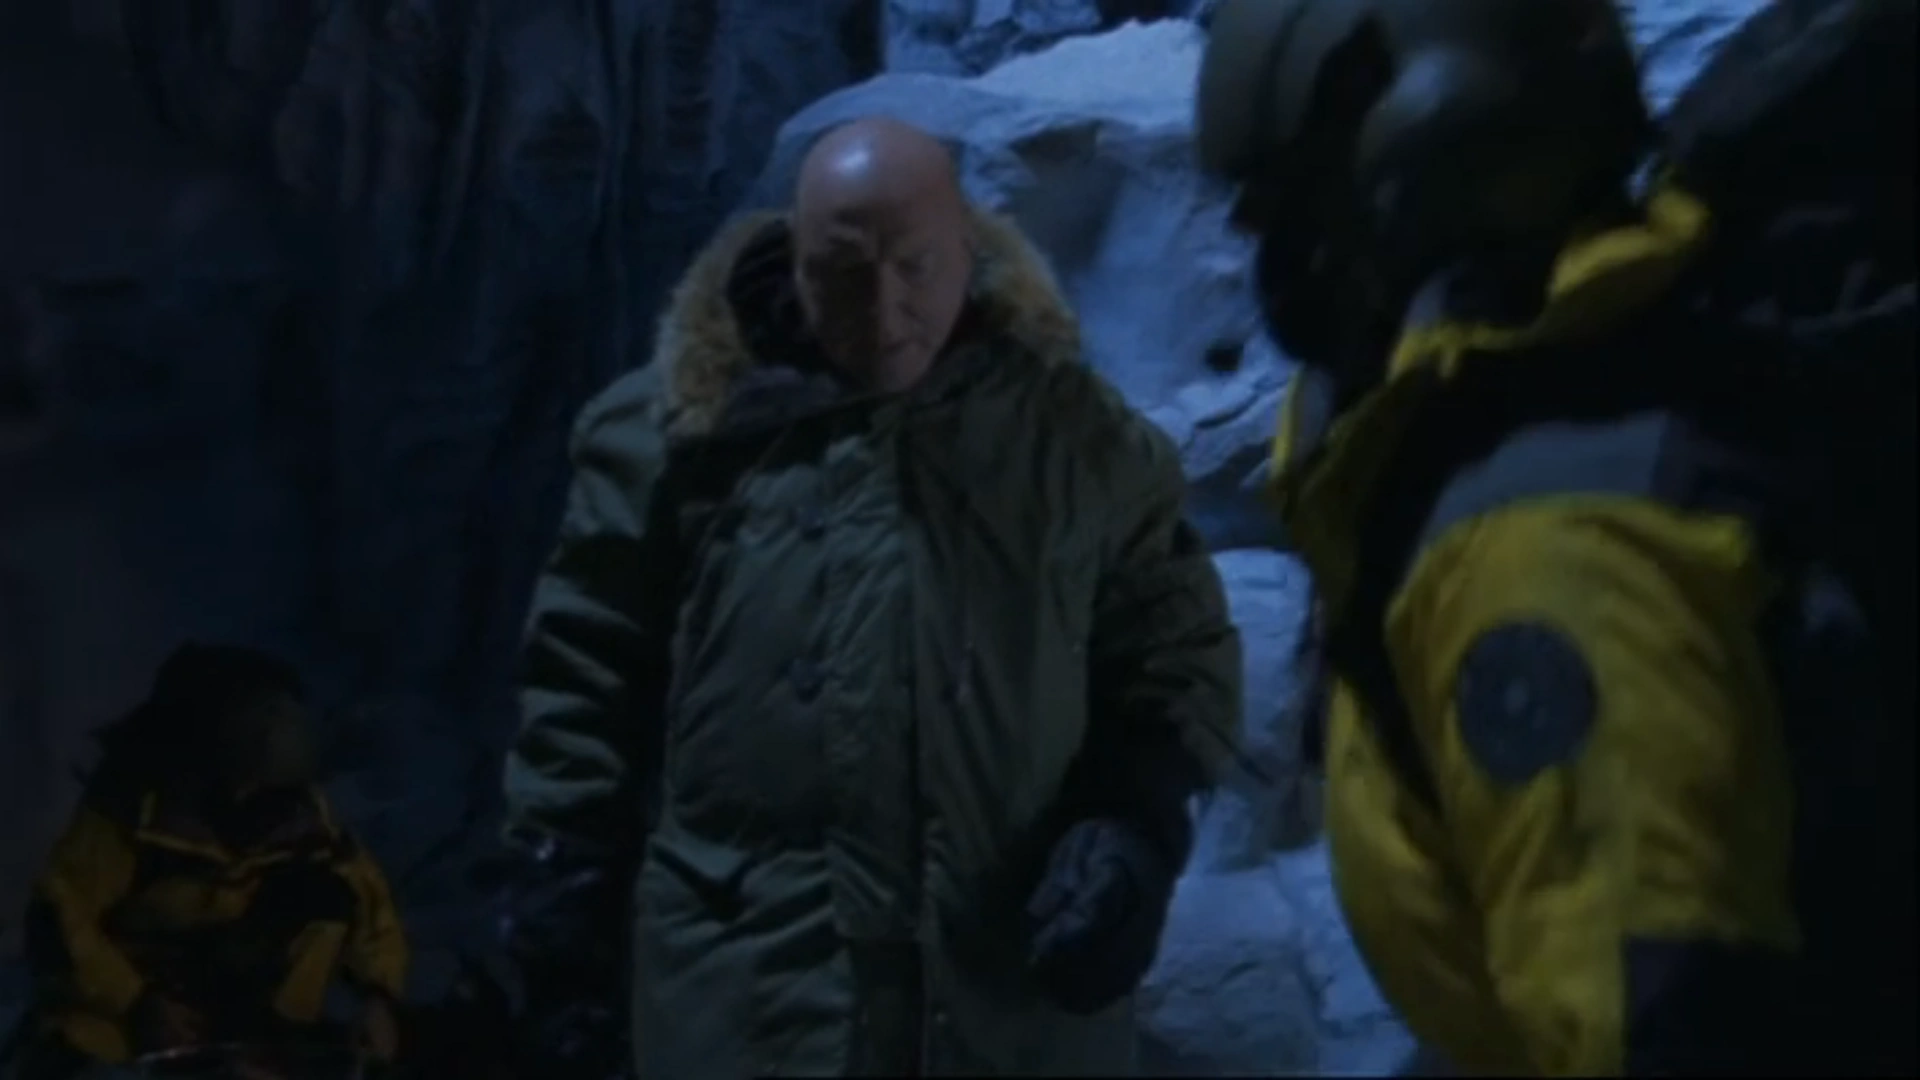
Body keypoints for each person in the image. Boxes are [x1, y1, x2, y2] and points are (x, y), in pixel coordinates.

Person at [1194, 0, 1914, 1074]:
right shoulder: (1567, 380)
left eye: (1289, 212)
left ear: (1416, 167)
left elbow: (1664, 1032)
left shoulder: (1546, 550)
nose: (1267, 259)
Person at [501, 114, 1243, 1077]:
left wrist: (1134, 825)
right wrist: (563, 931)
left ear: (967, 250)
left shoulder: (1078, 444)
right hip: (748, 1011)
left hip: (1005, 1009)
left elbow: (1173, 651)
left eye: (916, 269)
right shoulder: (674, 444)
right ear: (794, 261)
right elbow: (581, 686)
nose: (885, 313)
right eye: (843, 273)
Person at [14, 643, 408, 1077]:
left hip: (239, 1014)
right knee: (80, 1053)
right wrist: (136, 1001)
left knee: (324, 896)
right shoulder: (132, 810)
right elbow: (57, 919)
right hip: (133, 1001)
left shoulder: (301, 817)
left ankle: (267, 1055)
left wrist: (379, 997)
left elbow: (367, 904)